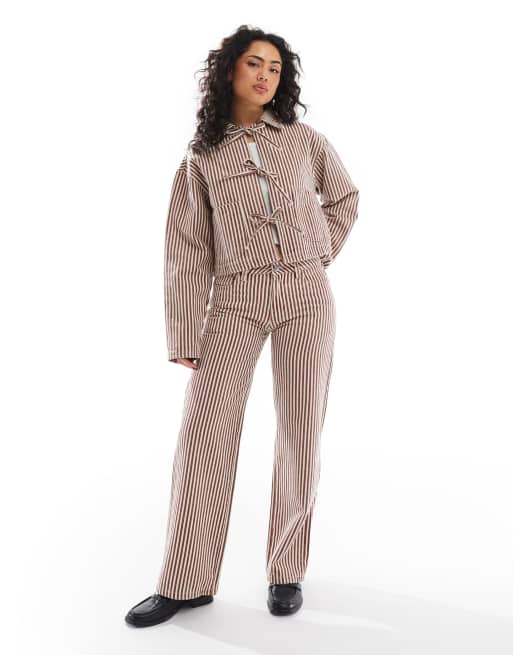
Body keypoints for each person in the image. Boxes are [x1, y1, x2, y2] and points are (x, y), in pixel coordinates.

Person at [125, 24, 359, 628]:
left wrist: (317, 255)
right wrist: (184, 333)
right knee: (205, 432)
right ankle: (186, 581)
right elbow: (187, 249)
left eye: (275, 68)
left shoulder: (304, 140)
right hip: (235, 298)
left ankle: (286, 571)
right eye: (255, 63)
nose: (265, 76)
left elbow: (344, 198)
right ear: (229, 69)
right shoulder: (201, 157)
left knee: (301, 429)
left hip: (306, 295)